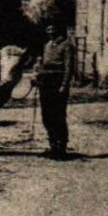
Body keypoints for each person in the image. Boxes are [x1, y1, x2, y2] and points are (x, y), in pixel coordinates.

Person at [35, 22, 73, 159]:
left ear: (59, 30)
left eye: (53, 29)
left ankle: (61, 147)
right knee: (46, 115)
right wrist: (38, 77)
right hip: (46, 83)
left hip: (58, 82)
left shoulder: (67, 45)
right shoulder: (47, 45)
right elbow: (43, 65)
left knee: (58, 115)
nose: (50, 31)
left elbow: (69, 67)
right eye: (48, 29)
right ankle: (53, 146)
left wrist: (64, 85)